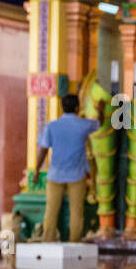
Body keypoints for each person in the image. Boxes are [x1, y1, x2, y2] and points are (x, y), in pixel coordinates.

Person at [31, 94, 99, 242]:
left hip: (55, 175)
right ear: (77, 107)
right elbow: (100, 123)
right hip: (77, 176)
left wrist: (36, 170)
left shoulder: (51, 126)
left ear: (62, 107)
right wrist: (100, 109)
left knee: (51, 211)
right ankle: (74, 242)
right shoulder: (83, 125)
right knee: (76, 212)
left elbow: (42, 150)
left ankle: (47, 241)